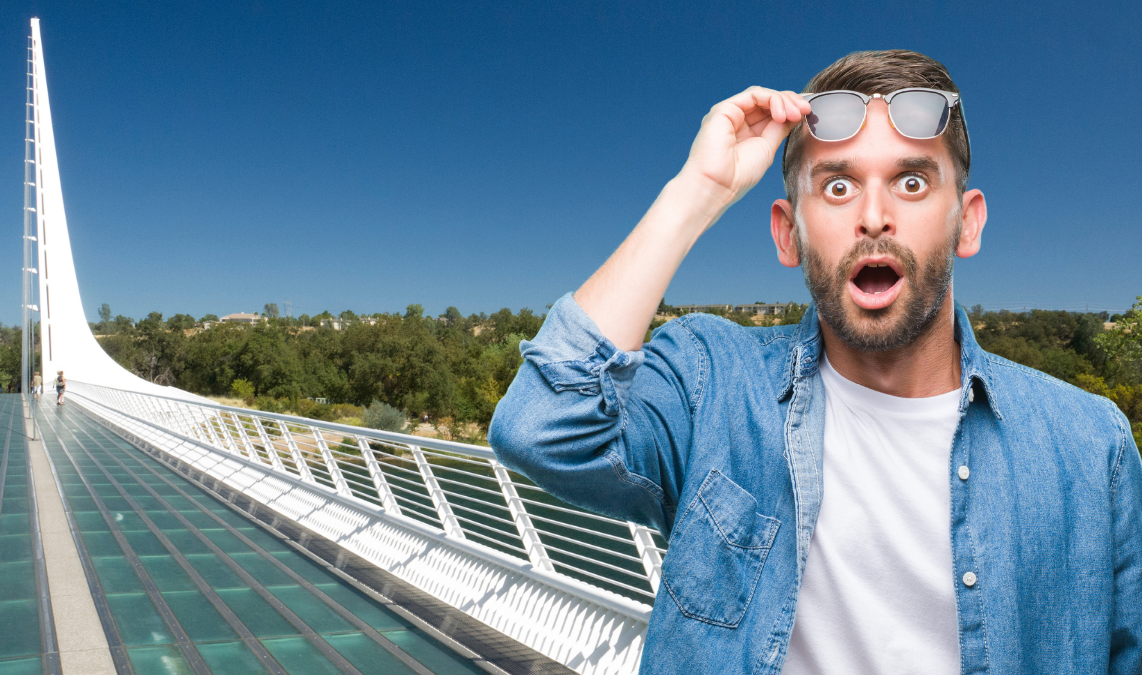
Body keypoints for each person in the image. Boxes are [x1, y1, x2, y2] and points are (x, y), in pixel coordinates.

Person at [489, 50, 1142, 674]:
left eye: (912, 181)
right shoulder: (712, 382)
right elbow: (542, 425)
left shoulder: (1090, 445)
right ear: (787, 232)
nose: (874, 217)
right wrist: (699, 191)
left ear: (966, 223)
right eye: (837, 186)